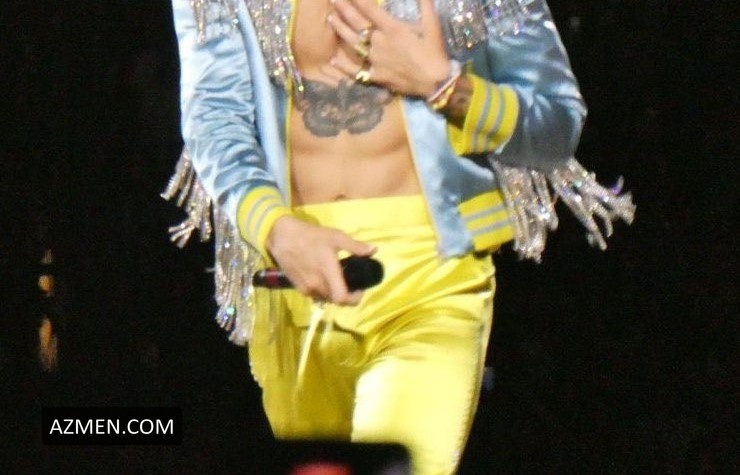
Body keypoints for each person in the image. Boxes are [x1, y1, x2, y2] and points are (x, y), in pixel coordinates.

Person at [165, 0, 634, 473]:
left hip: (431, 278)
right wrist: (276, 229)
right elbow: (213, 117)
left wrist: (445, 87)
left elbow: (557, 124)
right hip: (295, 282)